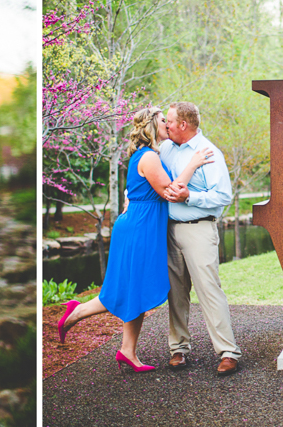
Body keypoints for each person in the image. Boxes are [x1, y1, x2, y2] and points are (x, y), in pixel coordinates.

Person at [56, 107, 212, 373]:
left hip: (144, 226)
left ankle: (127, 351)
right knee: (126, 288)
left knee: (134, 289)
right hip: (139, 229)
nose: (168, 124)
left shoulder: (150, 154)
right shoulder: (149, 156)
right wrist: (193, 164)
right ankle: (76, 313)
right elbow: (170, 192)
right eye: (164, 120)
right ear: (153, 125)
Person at [160, 101, 241, 376]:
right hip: (168, 230)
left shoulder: (208, 152)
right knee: (176, 292)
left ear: (183, 124)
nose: (166, 125)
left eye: (169, 121)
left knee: (209, 290)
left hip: (199, 229)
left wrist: (190, 196)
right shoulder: (165, 148)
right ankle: (178, 349)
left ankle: (228, 351)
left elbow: (223, 196)